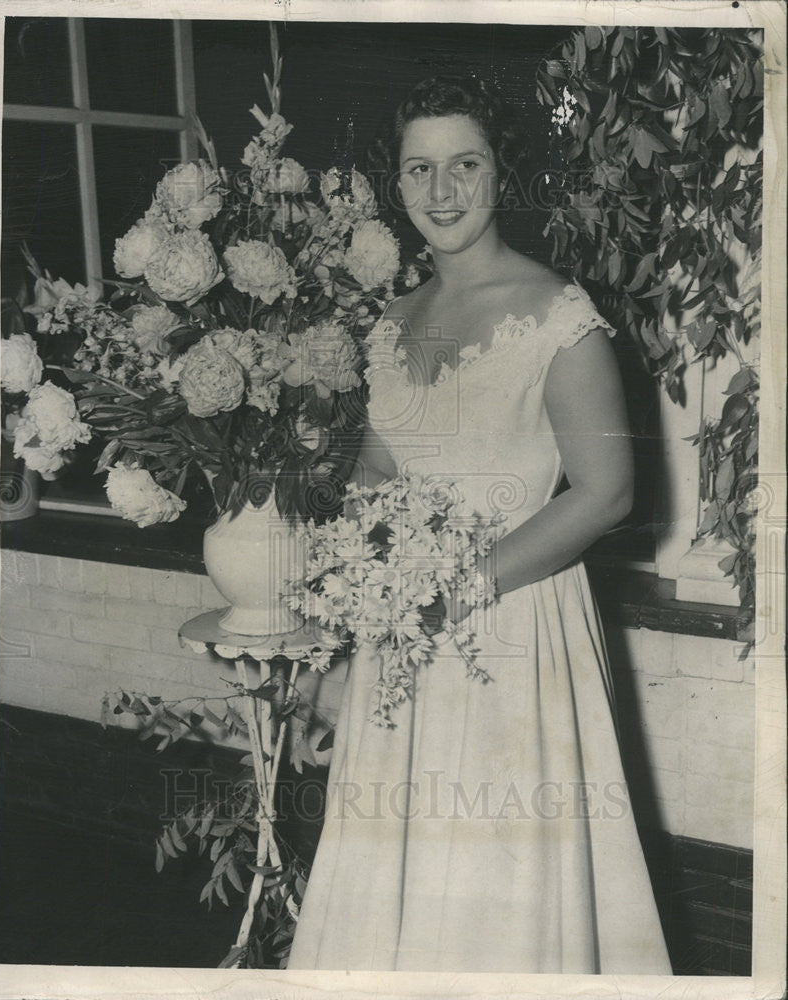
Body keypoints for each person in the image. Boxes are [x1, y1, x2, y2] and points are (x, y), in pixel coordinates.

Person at [287, 75, 672, 974]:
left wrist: (455, 587)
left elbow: (606, 494)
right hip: (404, 632)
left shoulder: (558, 315)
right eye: (419, 169)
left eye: (465, 163)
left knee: (501, 881)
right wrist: (351, 636)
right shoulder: (388, 322)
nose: (442, 189)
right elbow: (382, 471)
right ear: (398, 185)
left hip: (513, 621)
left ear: (504, 172)